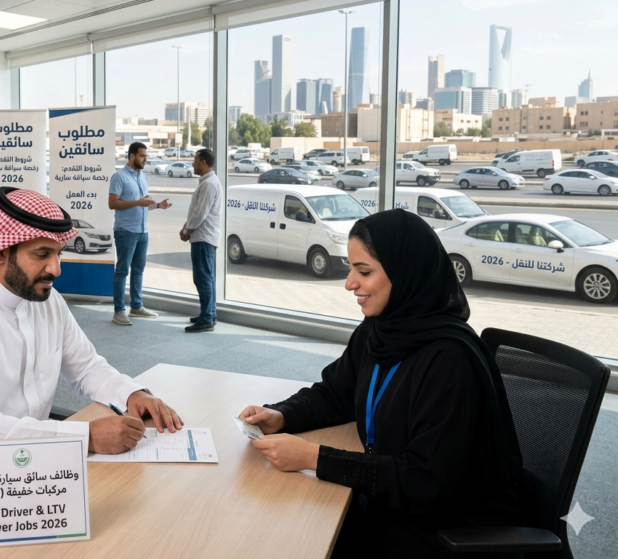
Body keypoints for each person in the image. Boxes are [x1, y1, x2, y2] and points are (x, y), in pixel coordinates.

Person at [237, 209, 528, 557]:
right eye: (350, 269)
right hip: (388, 504)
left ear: (405, 273)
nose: (349, 283)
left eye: (364, 272)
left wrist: (315, 458)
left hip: (443, 528)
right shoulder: (380, 330)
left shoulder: (450, 360)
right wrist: (282, 414)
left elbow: (425, 481)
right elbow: (336, 393)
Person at [0, 187, 184, 518]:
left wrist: (131, 393)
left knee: (118, 508)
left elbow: (86, 367)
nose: (56, 268)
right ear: (0, 251)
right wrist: (87, 437)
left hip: (20, 462)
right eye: (42, 254)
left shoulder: (48, 302)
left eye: (58, 253)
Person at [108, 142, 170, 326]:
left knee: (138, 270)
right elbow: (112, 203)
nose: (145, 159)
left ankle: (136, 306)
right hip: (125, 231)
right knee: (122, 271)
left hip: (142, 231)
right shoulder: (119, 176)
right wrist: (137, 202)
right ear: (132, 156)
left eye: (146, 156)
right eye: (142, 156)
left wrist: (158, 205)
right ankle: (119, 311)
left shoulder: (143, 176)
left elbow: (143, 204)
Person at [181, 149, 221, 333]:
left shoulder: (209, 184)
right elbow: (198, 212)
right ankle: (209, 313)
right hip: (204, 237)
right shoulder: (208, 182)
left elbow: (200, 214)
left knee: (203, 278)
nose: (193, 163)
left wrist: (187, 230)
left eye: (195, 160)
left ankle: (206, 318)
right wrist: (188, 226)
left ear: (203, 162)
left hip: (203, 238)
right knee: (207, 278)